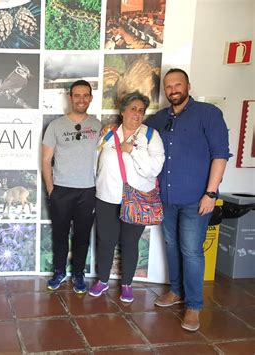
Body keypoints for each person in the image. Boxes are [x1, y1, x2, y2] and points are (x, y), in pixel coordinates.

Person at [145, 68, 230, 331]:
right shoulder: (159, 119)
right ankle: (176, 291)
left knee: (191, 251)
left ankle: (193, 306)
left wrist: (211, 193)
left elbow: (220, 155)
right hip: (167, 198)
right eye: (168, 86)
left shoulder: (208, 114)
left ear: (188, 86)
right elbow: (139, 139)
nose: (173, 90)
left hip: (197, 199)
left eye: (177, 84)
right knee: (171, 244)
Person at [89, 92, 165, 302]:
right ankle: (103, 280)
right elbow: (95, 163)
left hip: (137, 199)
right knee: (105, 241)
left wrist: (133, 150)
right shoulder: (108, 134)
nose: (137, 114)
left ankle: (127, 284)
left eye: (141, 110)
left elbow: (154, 169)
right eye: (133, 109)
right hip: (106, 198)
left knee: (130, 243)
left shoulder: (151, 136)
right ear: (123, 111)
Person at [42, 80, 102, 294]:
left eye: (85, 95)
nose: (81, 99)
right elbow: (46, 160)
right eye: (77, 95)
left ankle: (78, 273)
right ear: (70, 97)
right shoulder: (56, 126)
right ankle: (59, 271)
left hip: (88, 190)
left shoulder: (97, 125)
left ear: (91, 98)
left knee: (82, 236)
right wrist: (52, 191)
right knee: (60, 235)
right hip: (61, 190)